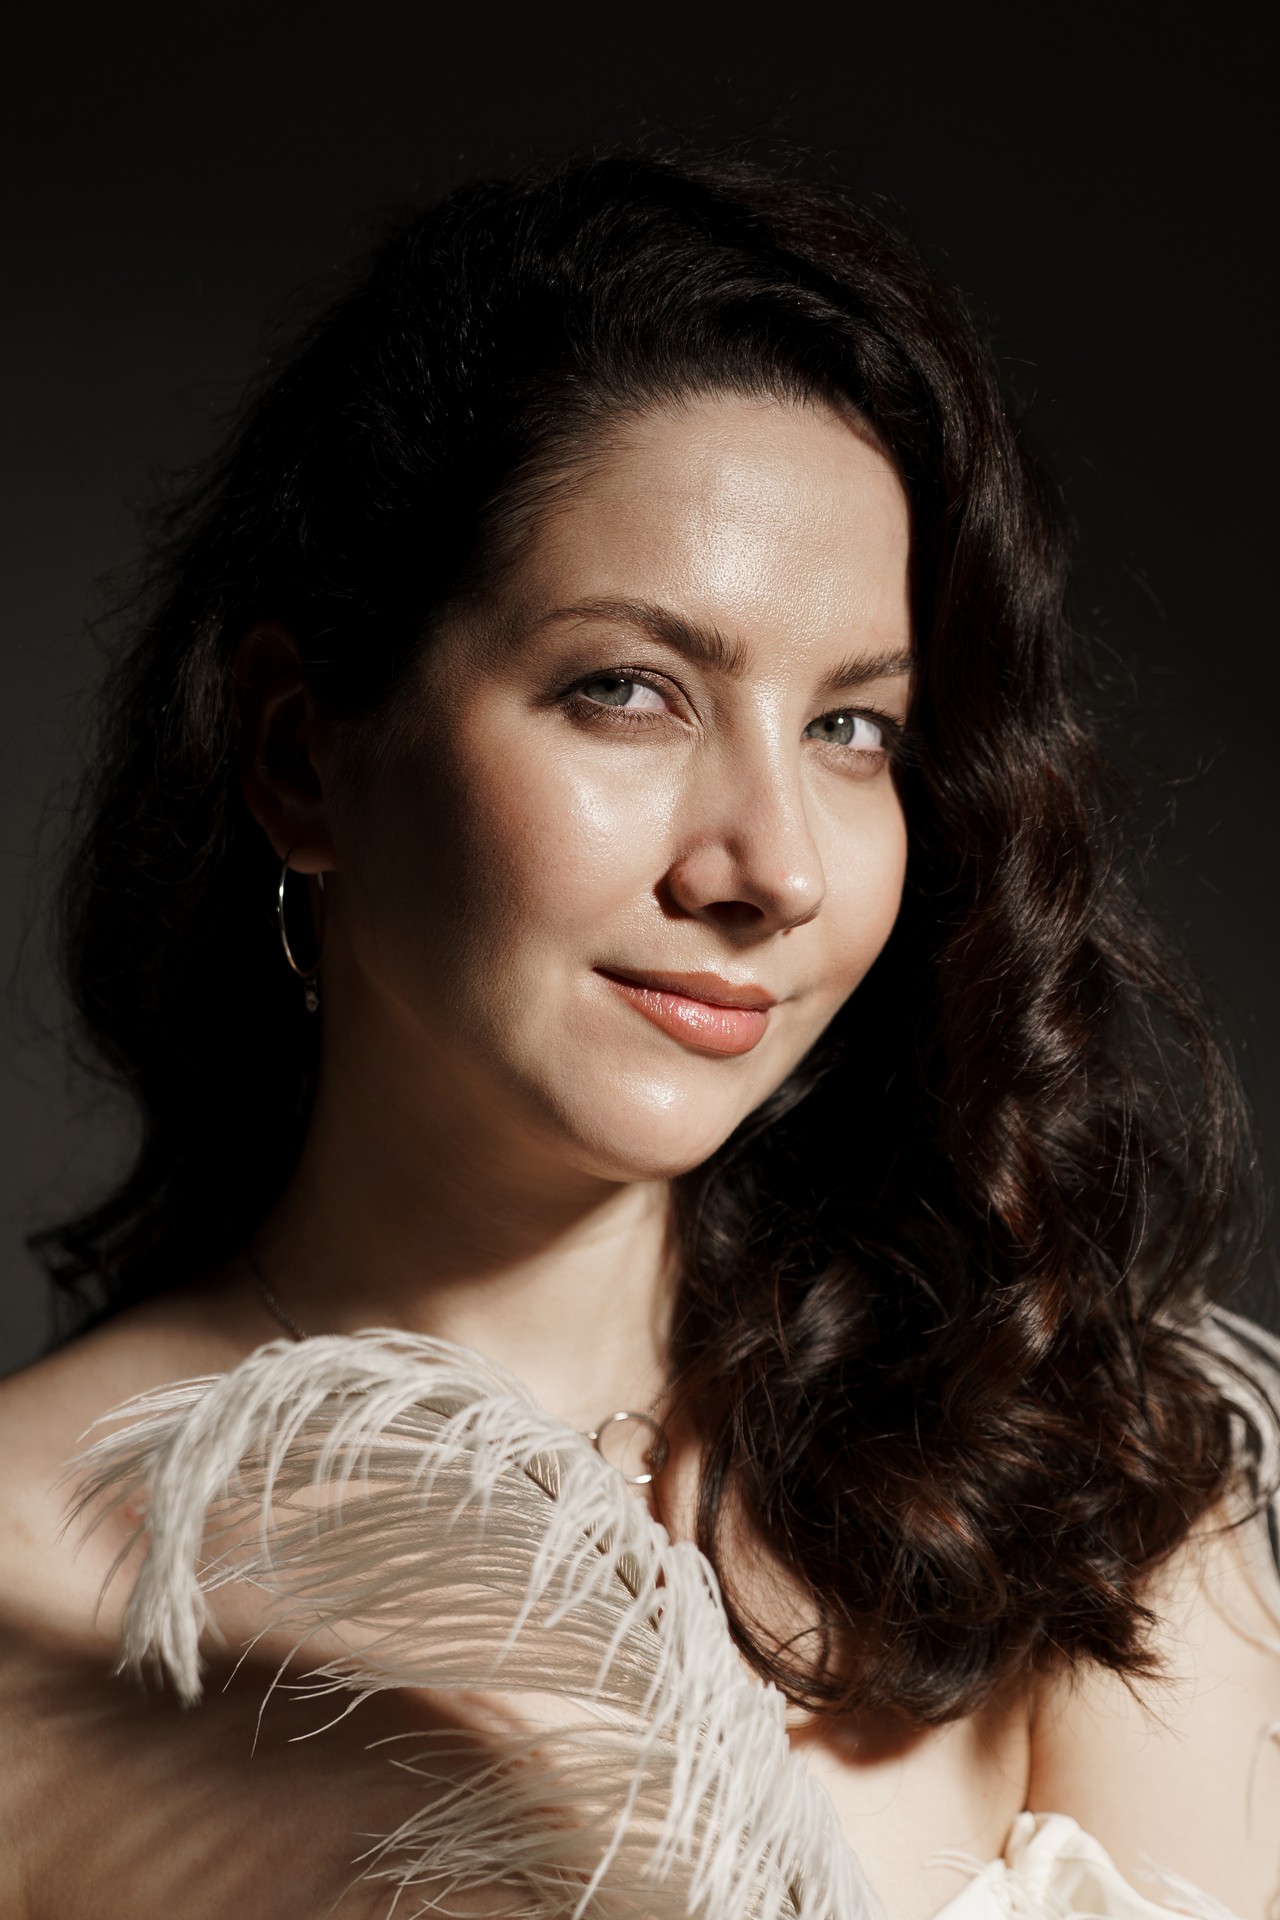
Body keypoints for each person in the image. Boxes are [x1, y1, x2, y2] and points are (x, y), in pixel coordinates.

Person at [0, 147, 1276, 1920]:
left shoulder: (1070, 1475)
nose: (773, 868)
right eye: (629, 691)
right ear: (303, 755)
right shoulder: (31, 1578)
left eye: (851, 730)